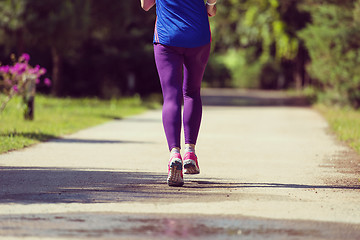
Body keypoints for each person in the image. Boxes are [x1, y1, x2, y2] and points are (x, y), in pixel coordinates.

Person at [140, 0, 217, 187]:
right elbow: (211, 9)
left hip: (167, 38)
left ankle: (174, 154)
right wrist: (209, 5)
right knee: (192, 93)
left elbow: (145, 5)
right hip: (198, 37)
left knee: (171, 96)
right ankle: (190, 151)